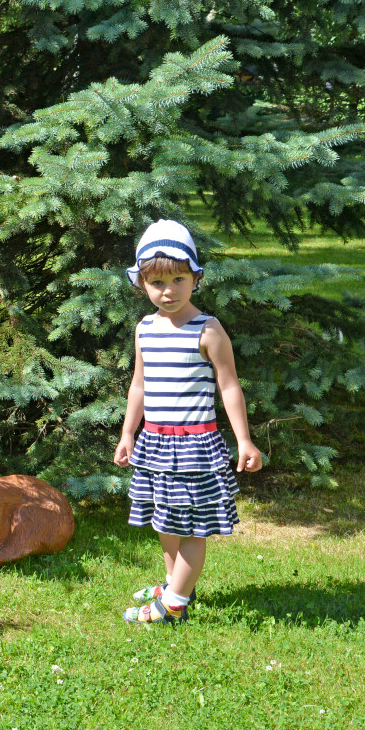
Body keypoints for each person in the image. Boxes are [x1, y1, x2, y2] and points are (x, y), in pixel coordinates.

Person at [113, 220, 263, 625]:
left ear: (196, 278)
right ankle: (175, 582)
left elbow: (229, 387)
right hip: (156, 443)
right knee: (164, 517)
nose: (168, 291)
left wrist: (244, 441)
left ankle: (173, 605)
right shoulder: (145, 329)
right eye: (157, 282)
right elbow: (139, 386)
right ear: (142, 283)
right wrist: (128, 432)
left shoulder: (208, 330)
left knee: (193, 527)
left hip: (195, 446)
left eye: (179, 279)